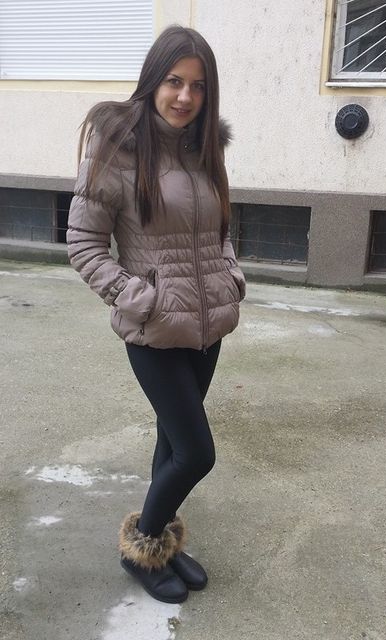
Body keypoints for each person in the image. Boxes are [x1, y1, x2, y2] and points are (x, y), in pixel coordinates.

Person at [67, 25, 245, 604]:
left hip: (207, 328)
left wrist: (230, 275)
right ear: (153, 81)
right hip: (154, 329)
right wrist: (137, 297)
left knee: (171, 446)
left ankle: (162, 541)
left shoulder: (204, 149)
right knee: (196, 453)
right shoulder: (116, 149)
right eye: (174, 81)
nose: (185, 96)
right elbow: (84, 245)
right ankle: (140, 547)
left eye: (198, 85)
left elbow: (219, 230)